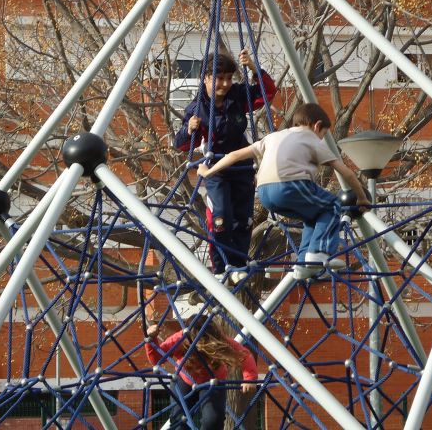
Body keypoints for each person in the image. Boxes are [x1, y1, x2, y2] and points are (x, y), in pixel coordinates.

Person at [198, 103, 371, 280]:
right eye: (322, 135)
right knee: (332, 205)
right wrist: (362, 198)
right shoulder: (311, 139)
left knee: (313, 216)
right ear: (317, 126)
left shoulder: (272, 138)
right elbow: (347, 173)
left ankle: (304, 263)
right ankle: (319, 253)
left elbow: (234, 155)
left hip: (265, 193)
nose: (320, 138)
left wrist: (208, 172)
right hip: (292, 186)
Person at [173, 49, 276, 283]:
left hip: (240, 164)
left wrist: (253, 67)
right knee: (221, 218)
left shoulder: (238, 96)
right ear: (206, 78)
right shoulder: (196, 109)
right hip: (216, 168)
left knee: (243, 218)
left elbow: (267, 93)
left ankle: (238, 264)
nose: (226, 84)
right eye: (220, 78)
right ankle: (221, 267)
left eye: (229, 78)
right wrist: (189, 129)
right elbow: (181, 145)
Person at [145, 315, 257, 430]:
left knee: (213, 419)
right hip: (184, 380)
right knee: (179, 421)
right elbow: (158, 359)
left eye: (206, 339)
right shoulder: (181, 338)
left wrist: (250, 378)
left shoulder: (219, 340)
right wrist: (151, 339)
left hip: (213, 382)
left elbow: (244, 354)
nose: (203, 343)